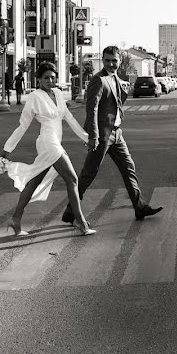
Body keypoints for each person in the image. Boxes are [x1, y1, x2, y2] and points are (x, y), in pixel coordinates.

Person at [61, 45, 163, 224]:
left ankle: (139, 207)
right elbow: (91, 109)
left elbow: (116, 103)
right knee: (88, 175)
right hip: (102, 136)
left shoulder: (117, 78)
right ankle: (70, 211)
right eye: (107, 60)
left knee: (128, 169)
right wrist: (93, 136)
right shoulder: (98, 80)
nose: (110, 64)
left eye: (114, 60)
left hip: (117, 134)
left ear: (119, 61)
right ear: (103, 60)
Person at [0, 62, 96, 237]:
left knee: (34, 182)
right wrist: (7, 150)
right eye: (46, 78)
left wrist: (87, 138)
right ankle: (81, 222)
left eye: (53, 77)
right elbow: (23, 126)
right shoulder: (34, 97)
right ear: (39, 79)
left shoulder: (58, 93)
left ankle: (15, 219)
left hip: (55, 142)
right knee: (72, 179)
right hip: (47, 142)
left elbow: (69, 117)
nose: (50, 80)